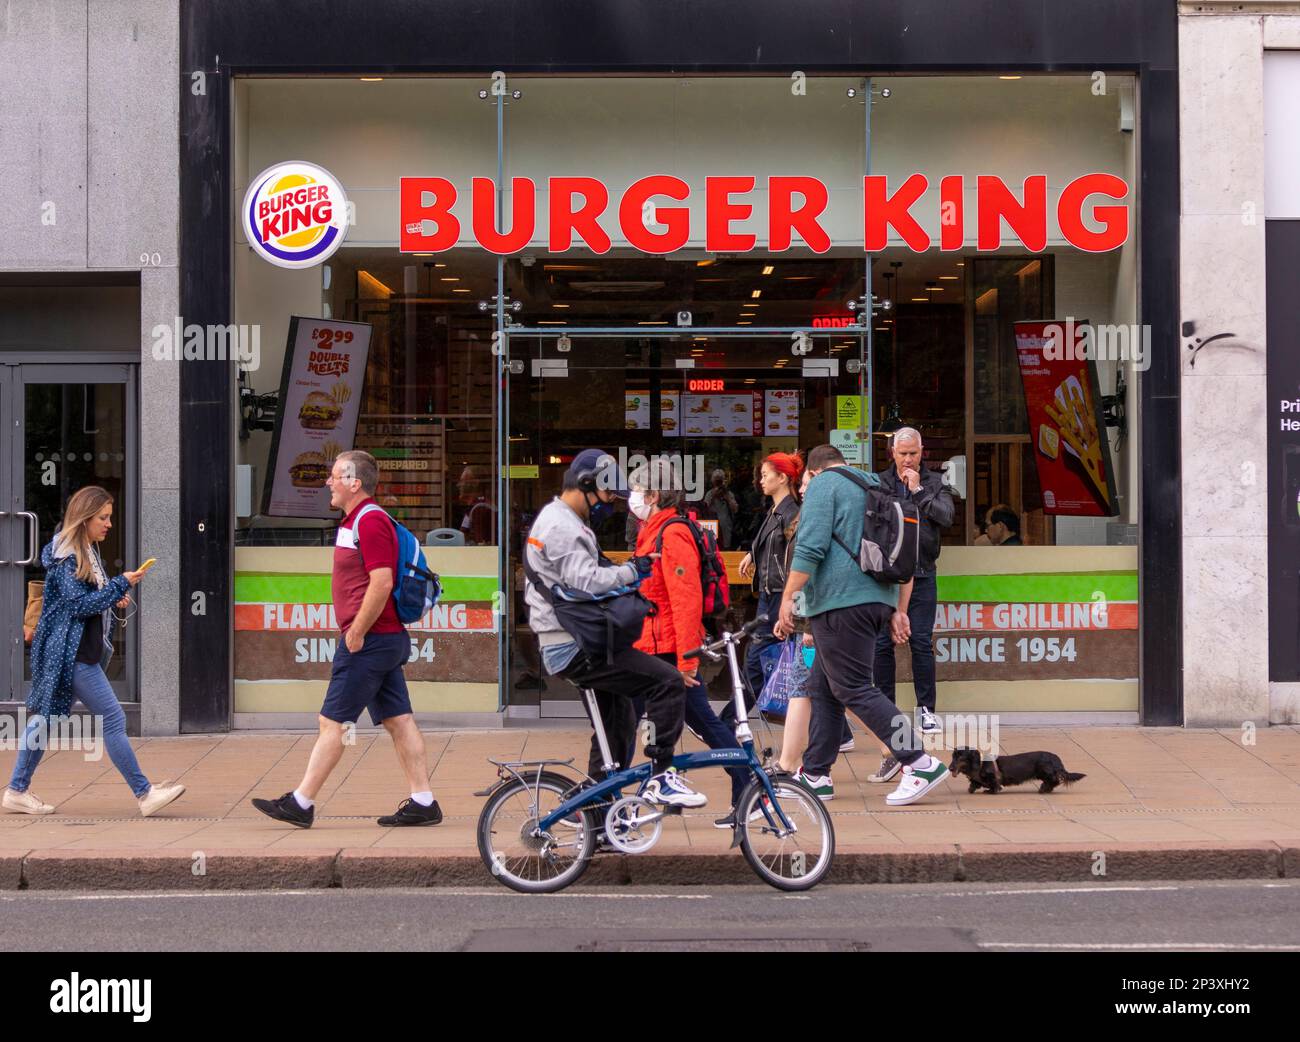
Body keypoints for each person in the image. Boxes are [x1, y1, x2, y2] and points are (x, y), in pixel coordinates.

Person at [252, 450, 442, 828]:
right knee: (399, 721)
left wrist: (356, 632)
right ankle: (424, 801)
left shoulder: (369, 522)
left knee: (333, 723)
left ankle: (301, 803)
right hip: (383, 640)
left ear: (355, 483)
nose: (328, 483)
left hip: (369, 641)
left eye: (335, 476)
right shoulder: (358, 520)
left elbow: (382, 581)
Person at [525, 449, 703, 807]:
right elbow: (585, 580)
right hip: (574, 646)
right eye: (609, 495)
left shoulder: (564, 519)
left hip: (574, 641)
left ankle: (599, 814)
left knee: (617, 725)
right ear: (587, 485)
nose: (613, 503)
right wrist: (633, 571)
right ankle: (662, 776)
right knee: (667, 681)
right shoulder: (561, 526)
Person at [774, 444, 949, 807]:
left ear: (814, 470)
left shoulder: (826, 485)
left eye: (804, 479)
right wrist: (898, 609)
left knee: (854, 687)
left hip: (841, 602)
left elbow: (810, 546)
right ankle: (816, 774)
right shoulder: (872, 484)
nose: (804, 487)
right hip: (875, 599)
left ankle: (918, 760)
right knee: (823, 686)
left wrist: (788, 597)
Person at [5, 486, 184, 818]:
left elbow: (89, 597)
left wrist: (112, 594)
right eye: (103, 517)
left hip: (73, 652)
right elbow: (78, 604)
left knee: (46, 720)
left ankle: (16, 790)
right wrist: (121, 584)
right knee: (114, 719)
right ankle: (145, 795)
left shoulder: (85, 550)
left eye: (109, 517)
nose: (109, 524)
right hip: (72, 655)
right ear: (85, 518)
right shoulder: (67, 555)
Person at [627, 458, 749, 827]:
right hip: (652, 646)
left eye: (637, 491)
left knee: (702, 724)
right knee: (640, 720)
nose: (632, 498)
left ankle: (749, 789)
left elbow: (685, 600)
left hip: (666, 650)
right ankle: (653, 790)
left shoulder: (672, 533)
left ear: (653, 494)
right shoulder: (653, 528)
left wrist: (686, 662)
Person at [871, 428, 955, 774]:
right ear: (892, 452)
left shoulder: (935, 482)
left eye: (913, 454)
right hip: (887, 575)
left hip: (922, 572)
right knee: (881, 644)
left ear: (922, 452)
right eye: (902, 454)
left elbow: (946, 517)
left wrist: (918, 489)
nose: (908, 460)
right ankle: (887, 710)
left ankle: (926, 709)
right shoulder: (878, 482)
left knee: (920, 641)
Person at [738, 452, 803, 709]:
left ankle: (729, 720)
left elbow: (795, 556)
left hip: (779, 593)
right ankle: (838, 730)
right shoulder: (775, 511)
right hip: (770, 592)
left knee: (756, 659)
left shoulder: (792, 514)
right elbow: (768, 541)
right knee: (764, 657)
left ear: (783, 477)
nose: (761, 481)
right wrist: (751, 554)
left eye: (766, 475)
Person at [457, 466, 495, 545]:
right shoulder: (472, 507)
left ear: (475, 483)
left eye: (463, 481)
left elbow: (480, 542)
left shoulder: (480, 508)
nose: (459, 485)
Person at [703, 468, 738, 549]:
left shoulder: (728, 494)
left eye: (719, 481)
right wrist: (713, 496)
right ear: (713, 482)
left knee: (726, 547)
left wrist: (727, 498)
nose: (718, 484)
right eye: (716, 481)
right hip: (712, 525)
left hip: (726, 527)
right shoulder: (709, 494)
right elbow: (704, 508)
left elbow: (735, 509)